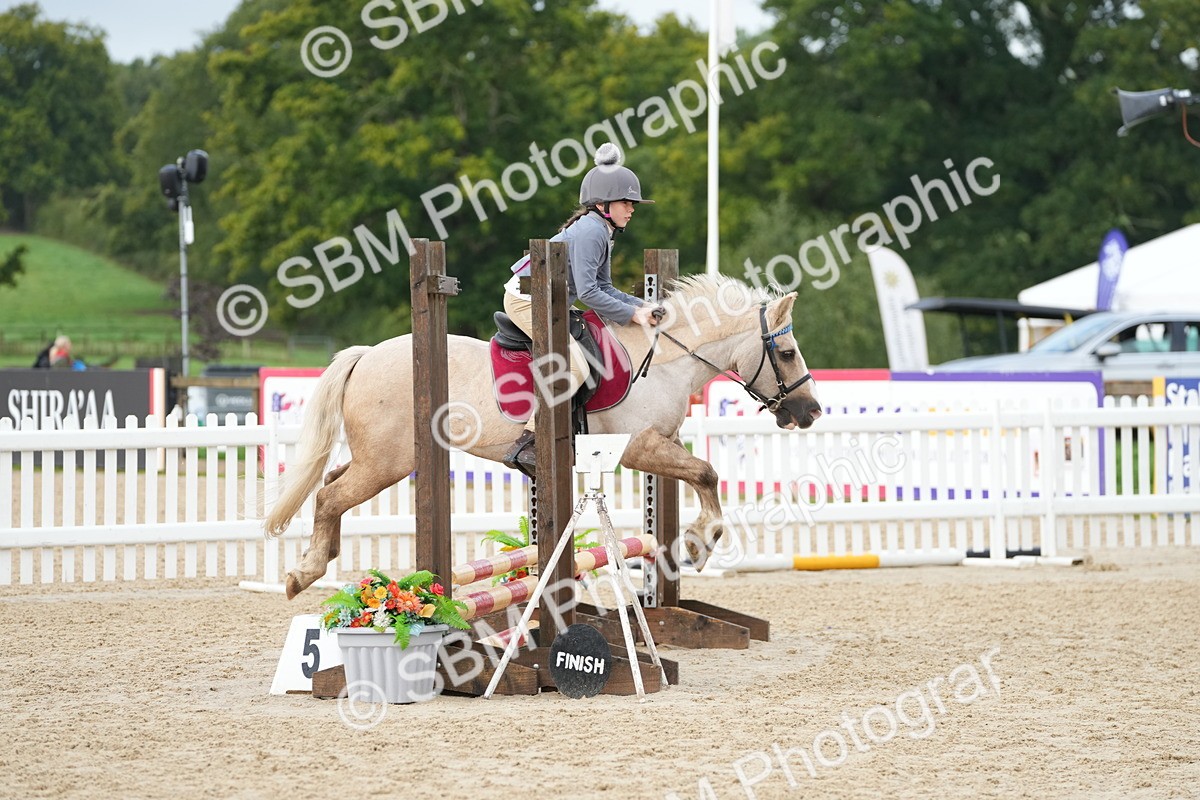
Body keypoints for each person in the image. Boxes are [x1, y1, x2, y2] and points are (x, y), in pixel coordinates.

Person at [501, 142, 660, 476]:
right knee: (573, 365)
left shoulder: (600, 230)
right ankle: (528, 441)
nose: (632, 209)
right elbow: (589, 293)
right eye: (626, 202)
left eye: (633, 203)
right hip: (525, 297)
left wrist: (643, 306)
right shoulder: (591, 231)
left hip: (547, 296)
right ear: (604, 204)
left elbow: (604, 287)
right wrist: (632, 315)